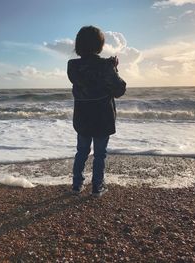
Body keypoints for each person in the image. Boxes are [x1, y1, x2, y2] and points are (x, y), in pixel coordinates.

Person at [67, 26, 126, 197]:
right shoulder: (106, 66)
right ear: (99, 45)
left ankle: (77, 185)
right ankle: (97, 187)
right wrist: (114, 68)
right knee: (100, 154)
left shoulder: (73, 66)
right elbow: (119, 90)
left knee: (82, 151)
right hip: (102, 117)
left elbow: (85, 81)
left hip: (83, 117)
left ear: (79, 45)